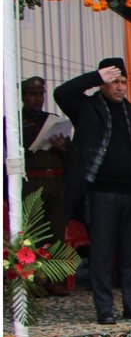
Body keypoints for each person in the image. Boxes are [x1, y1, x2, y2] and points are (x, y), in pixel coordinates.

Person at [55, 58, 131, 324]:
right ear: (103, 83)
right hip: (101, 193)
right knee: (101, 253)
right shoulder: (87, 108)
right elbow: (62, 93)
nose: (120, 87)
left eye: (123, 82)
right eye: (114, 82)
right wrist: (95, 76)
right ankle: (104, 308)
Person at [20, 74, 72, 296]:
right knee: (32, 233)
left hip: (56, 181)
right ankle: (34, 281)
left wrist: (62, 147)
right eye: (32, 94)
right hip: (32, 181)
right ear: (23, 96)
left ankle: (55, 279)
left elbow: (71, 154)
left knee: (56, 232)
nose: (37, 99)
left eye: (40, 94)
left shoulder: (52, 120)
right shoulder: (15, 121)